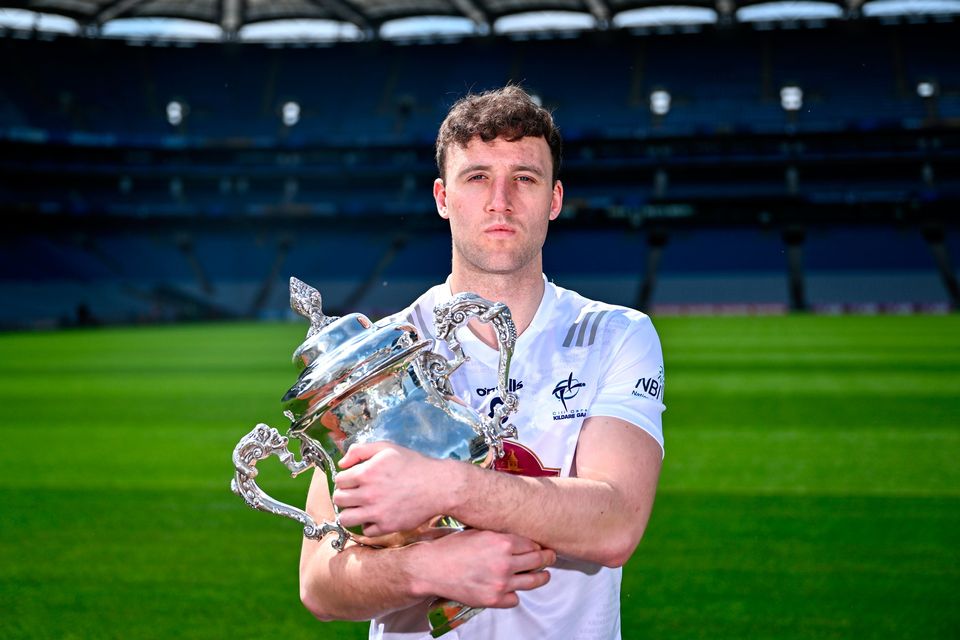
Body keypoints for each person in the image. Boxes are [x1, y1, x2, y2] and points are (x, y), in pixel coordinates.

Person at [299, 85, 665, 639]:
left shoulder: (615, 335)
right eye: (477, 177)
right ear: (443, 197)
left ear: (554, 198)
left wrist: (447, 487)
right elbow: (319, 582)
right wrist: (424, 568)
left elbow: (615, 524)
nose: (501, 199)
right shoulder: (382, 352)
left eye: (524, 177)